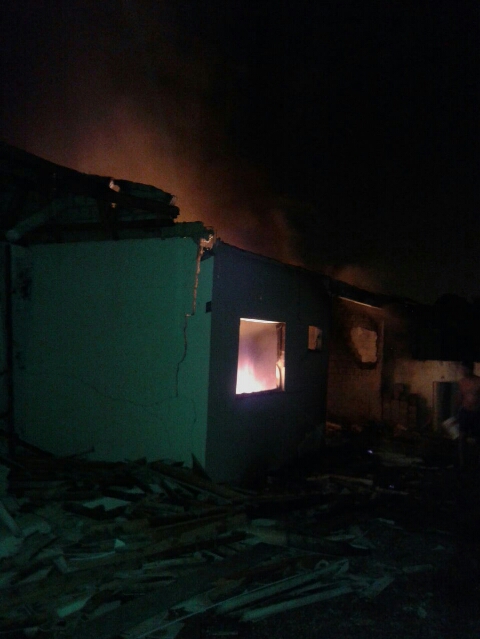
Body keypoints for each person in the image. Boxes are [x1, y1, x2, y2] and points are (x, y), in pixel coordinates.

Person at [457, 360, 480, 469]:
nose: (462, 371)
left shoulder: (478, 381)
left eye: (464, 369)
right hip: (465, 412)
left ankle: (477, 463)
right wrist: (457, 411)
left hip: (476, 413)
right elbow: (460, 397)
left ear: (470, 369)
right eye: (462, 369)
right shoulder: (462, 382)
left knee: (478, 438)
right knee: (462, 438)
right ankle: (462, 463)